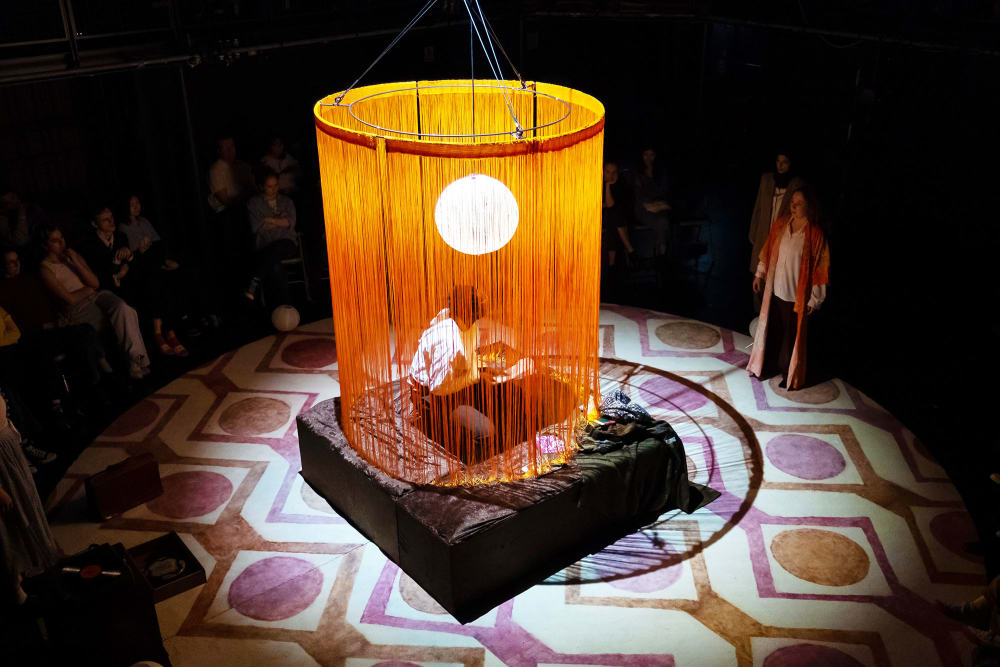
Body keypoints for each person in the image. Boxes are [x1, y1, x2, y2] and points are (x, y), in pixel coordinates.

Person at [409, 286, 528, 463]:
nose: (486, 300)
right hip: (431, 395)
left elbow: (469, 354)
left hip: (455, 380)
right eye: (481, 300)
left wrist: (481, 372)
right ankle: (474, 463)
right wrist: (474, 377)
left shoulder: (467, 324)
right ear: (469, 310)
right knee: (487, 431)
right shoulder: (448, 340)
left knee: (512, 393)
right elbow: (438, 388)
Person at [37, 225, 151, 379]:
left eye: (62, 238)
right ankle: (136, 362)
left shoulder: (73, 256)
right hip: (77, 307)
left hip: (96, 296)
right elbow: (69, 298)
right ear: (46, 245)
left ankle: (135, 359)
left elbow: (95, 283)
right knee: (109, 319)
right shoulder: (46, 269)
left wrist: (76, 261)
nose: (61, 242)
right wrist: (87, 290)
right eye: (55, 241)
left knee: (123, 308)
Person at [747, 188, 829, 390]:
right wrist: (759, 274)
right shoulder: (781, 225)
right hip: (775, 290)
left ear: (809, 206)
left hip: (795, 296)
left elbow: (821, 268)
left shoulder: (815, 234)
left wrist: (815, 299)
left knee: (791, 337)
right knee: (772, 331)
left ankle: (788, 374)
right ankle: (767, 367)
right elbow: (767, 250)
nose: (793, 206)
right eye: (792, 201)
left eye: (799, 203)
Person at [78, 205, 186, 357]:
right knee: (151, 283)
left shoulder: (120, 236)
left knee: (158, 278)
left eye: (111, 218)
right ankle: (163, 332)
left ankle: (165, 331)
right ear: (95, 224)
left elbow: (132, 264)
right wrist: (117, 263)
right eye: (105, 220)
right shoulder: (90, 246)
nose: (111, 222)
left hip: (130, 278)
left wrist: (130, 257)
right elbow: (100, 276)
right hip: (112, 287)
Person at [0, 392, 60, 607]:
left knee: (26, 509)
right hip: (2, 467)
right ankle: (14, 585)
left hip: (8, 453)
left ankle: (31, 567)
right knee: (7, 526)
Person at [748, 153, 805, 311]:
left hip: (781, 239)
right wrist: (753, 234)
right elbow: (758, 207)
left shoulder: (796, 184)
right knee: (758, 279)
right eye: (778, 161)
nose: (780, 166)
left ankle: (771, 323)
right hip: (762, 236)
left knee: (775, 283)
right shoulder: (767, 179)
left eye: (785, 162)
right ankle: (758, 320)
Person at [245, 172, 299, 305]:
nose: (274, 189)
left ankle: (255, 279)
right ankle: (284, 306)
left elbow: (290, 222)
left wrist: (268, 219)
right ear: (262, 187)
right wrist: (279, 220)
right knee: (274, 265)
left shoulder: (286, 201)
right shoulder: (254, 203)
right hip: (266, 243)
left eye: (276, 185)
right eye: (270, 186)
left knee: (277, 249)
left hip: (286, 242)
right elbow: (256, 227)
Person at [633, 146, 672, 257]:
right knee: (662, 223)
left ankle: (661, 251)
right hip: (643, 208)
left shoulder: (661, 173)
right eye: (646, 154)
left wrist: (660, 204)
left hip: (660, 207)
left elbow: (664, 193)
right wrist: (649, 205)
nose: (648, 158)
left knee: (663, 220)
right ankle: (662, 252)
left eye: (652, 155)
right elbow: (638, 196)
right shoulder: (637, 174)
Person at [602, 161, 636, 269]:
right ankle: (630, 250)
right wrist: (607, 185)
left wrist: (608, 186)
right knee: (614, 216)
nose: (610, 175)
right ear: (603, 172)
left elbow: (611, 205)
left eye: (613, 172)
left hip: (615, 218)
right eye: (608, 172)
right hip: (599, 217)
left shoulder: (621, 184)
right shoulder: (594, 182)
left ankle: (612, 264)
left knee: (614, 219)